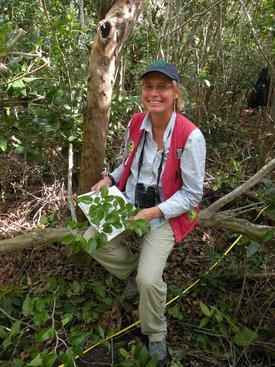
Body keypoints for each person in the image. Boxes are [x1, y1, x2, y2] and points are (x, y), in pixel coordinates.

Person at [84, 60, 206, 366]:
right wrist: (110, 179)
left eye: (163, 87)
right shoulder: (136, 122)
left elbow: (193, 194)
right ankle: (133, 273)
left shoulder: (190, 137)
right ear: (142, 91)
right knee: (90, 239)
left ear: (176, 92)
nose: (155, 93)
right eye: (149, 87)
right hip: (129, 203)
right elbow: (127, 163)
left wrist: (154, 212)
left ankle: (154, 334)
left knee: (150, 282)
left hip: (164, 214)